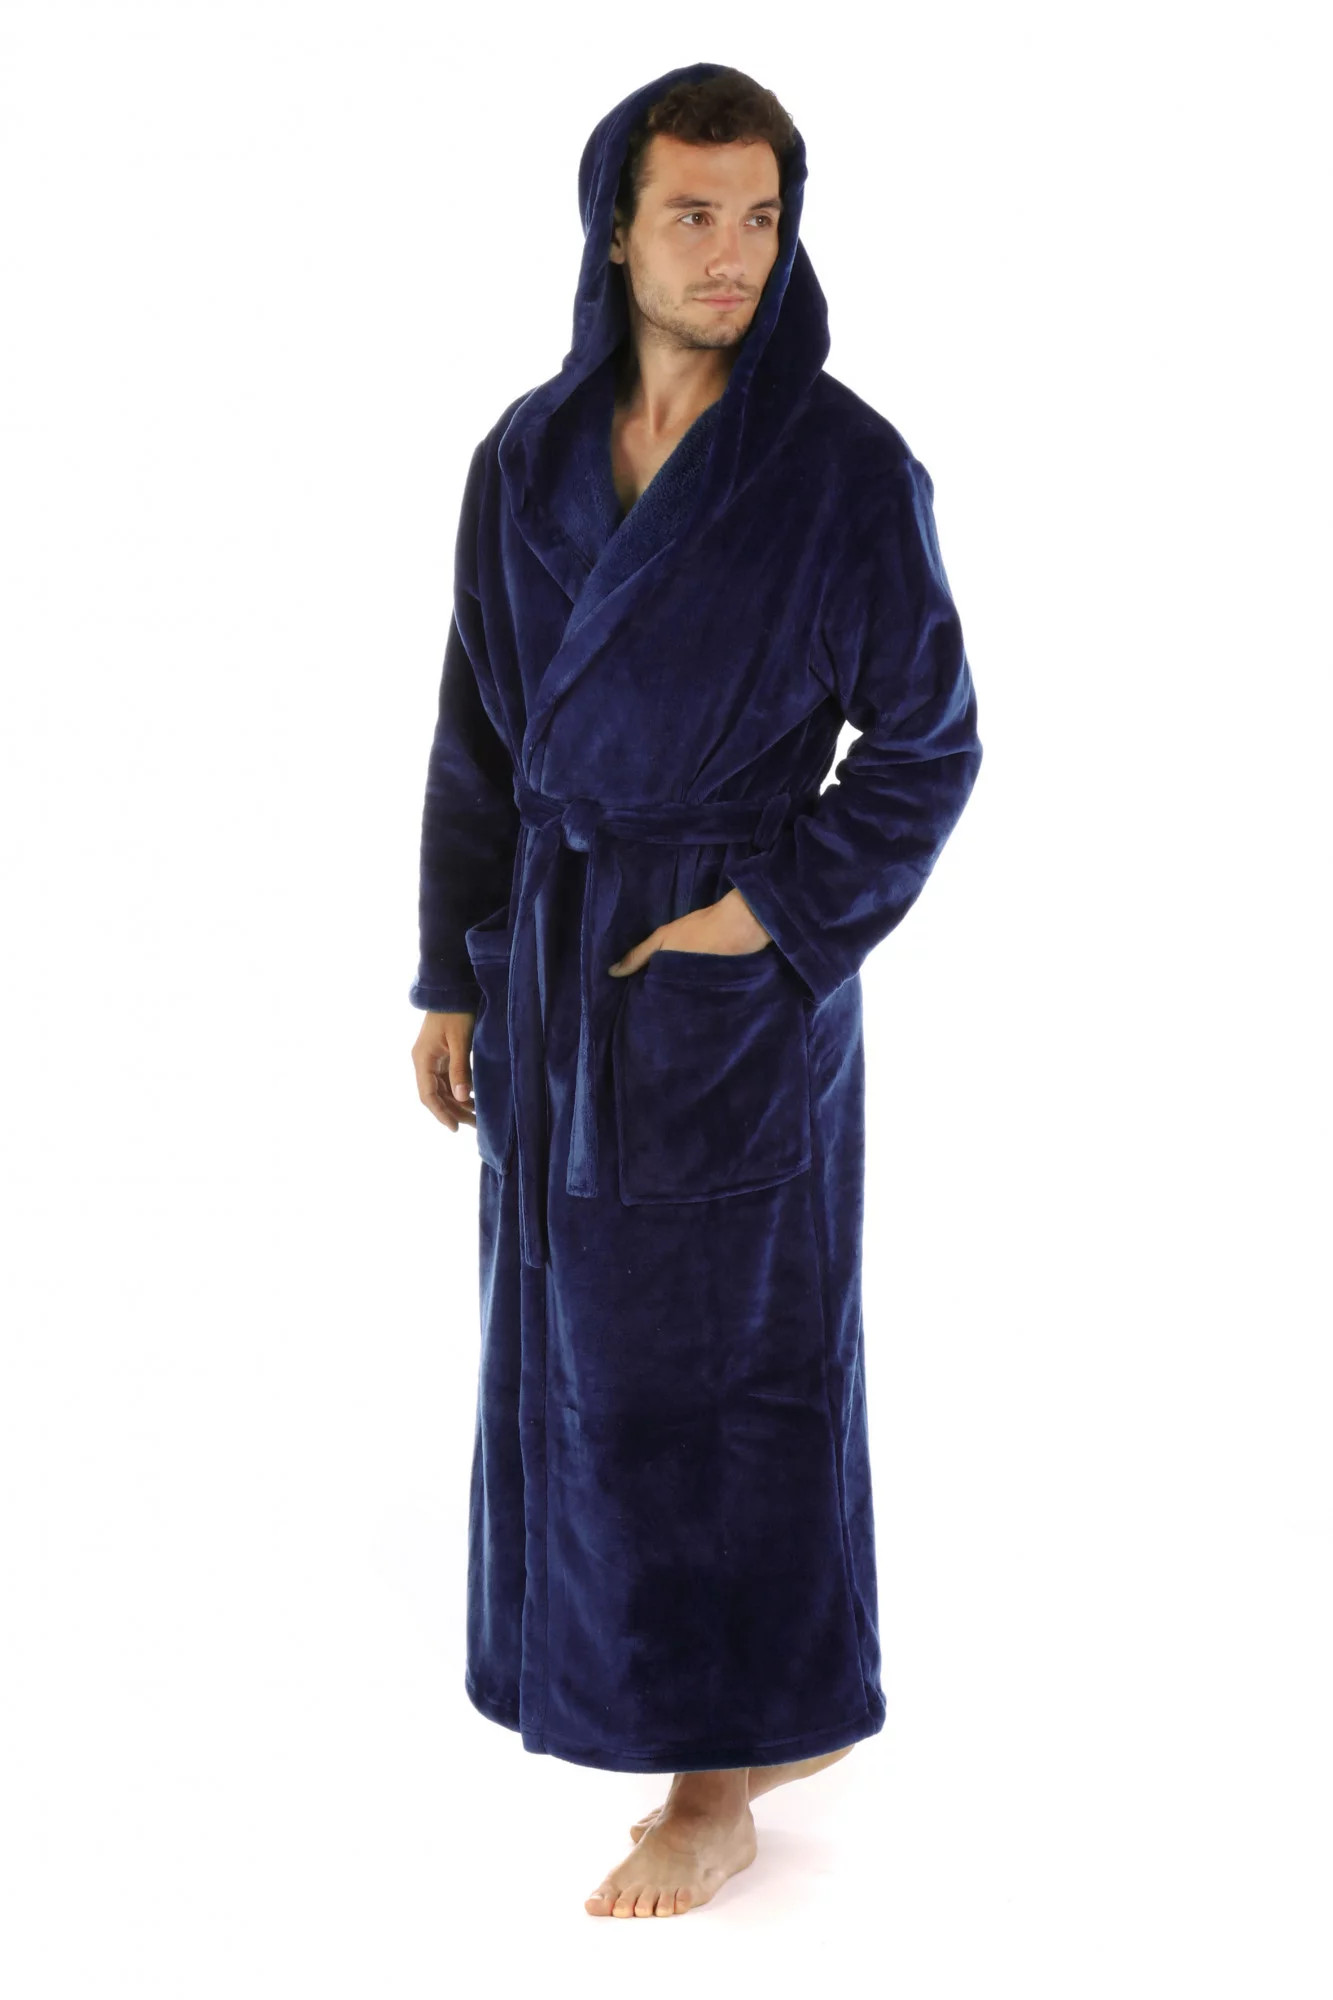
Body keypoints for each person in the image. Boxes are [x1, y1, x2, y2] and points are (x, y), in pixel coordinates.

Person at [408, 60, 983, 1918]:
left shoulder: (837, 469)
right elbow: (478, 738)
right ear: (616, 227)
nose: (731, 253)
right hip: (558, 963)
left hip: (725, 985)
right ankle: (705, 1703)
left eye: (759, 218)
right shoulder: (525, 456)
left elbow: (927, 745)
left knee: (727, 1377)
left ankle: (714, 1776)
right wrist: (449, 974)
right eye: (691, 215)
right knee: (571, 1359)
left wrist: (763, 916)